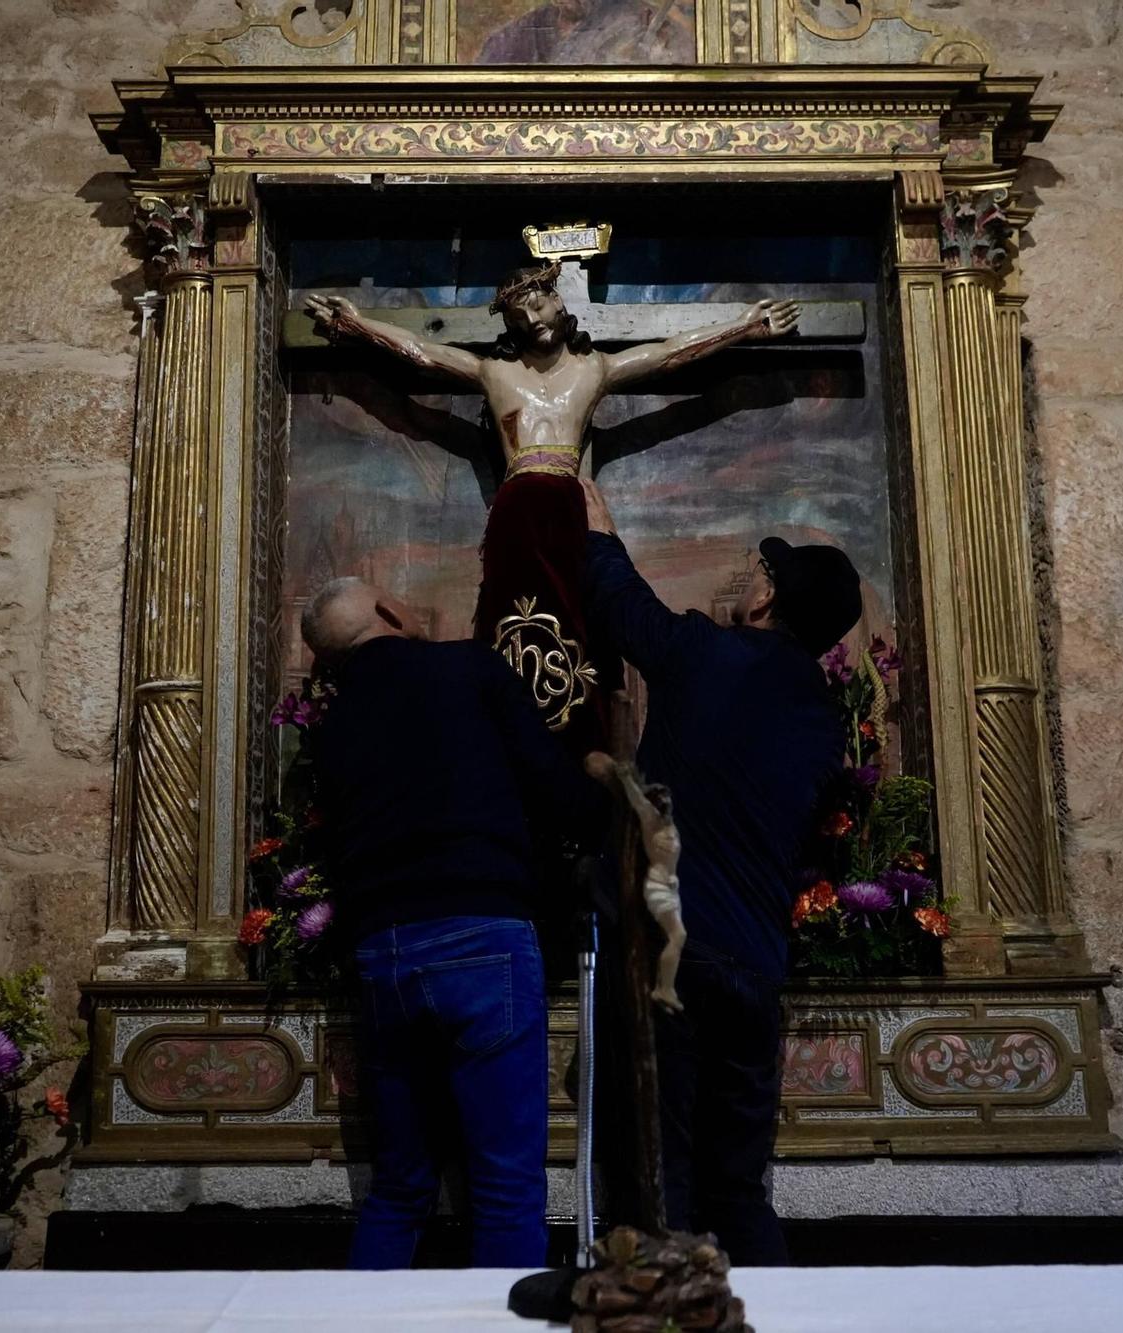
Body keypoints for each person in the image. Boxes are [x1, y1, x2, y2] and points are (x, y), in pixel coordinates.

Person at [305, 265, 797, 752]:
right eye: (519, 317)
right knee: (509, 614)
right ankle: (510, 719)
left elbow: (669, 355)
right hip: (516, 508)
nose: (533, 321)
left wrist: (747, 326)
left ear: (559, 301)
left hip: (570, 504)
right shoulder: (494, 372)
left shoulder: (595, 369)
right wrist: (353, 325)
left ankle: (580, 728)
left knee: (582, 615)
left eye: (538, 306)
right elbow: (423, 355)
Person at [580, 478, 861, 1265]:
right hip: (752, 970)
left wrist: (598, 536)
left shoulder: (708, 655)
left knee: (660, 1180)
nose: (752, 586)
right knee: (739, 1189)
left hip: (673, 962)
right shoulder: (820, 714)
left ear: (769, 603)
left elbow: (627, 613)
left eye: (763, 578)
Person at [300, 576, 605, 1269]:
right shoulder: (465, 666)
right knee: (503, 1189)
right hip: (482, 936)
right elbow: (556, 792)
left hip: (384, 953)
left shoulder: (336, 726)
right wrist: (612, 802)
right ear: (387, 611)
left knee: (401, 1187)